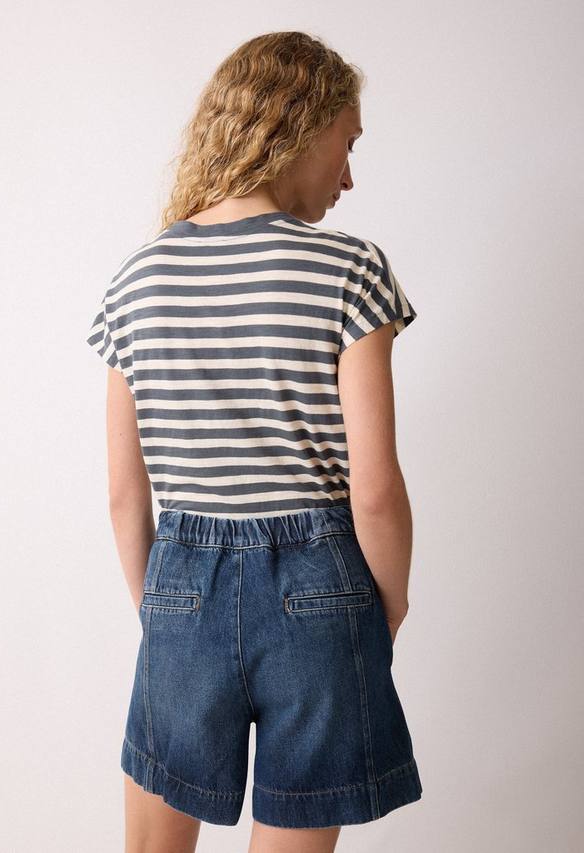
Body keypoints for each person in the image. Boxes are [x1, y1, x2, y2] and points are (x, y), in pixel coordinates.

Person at [86, 30, 422, 853]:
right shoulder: (350, 270)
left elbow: (126, 495)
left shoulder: (136, 279)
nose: (348, 177)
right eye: (347, 144)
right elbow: (375, 488)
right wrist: (388, 606)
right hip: (323, 586)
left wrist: (164, 611)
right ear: (297, 126)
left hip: (180, 585)